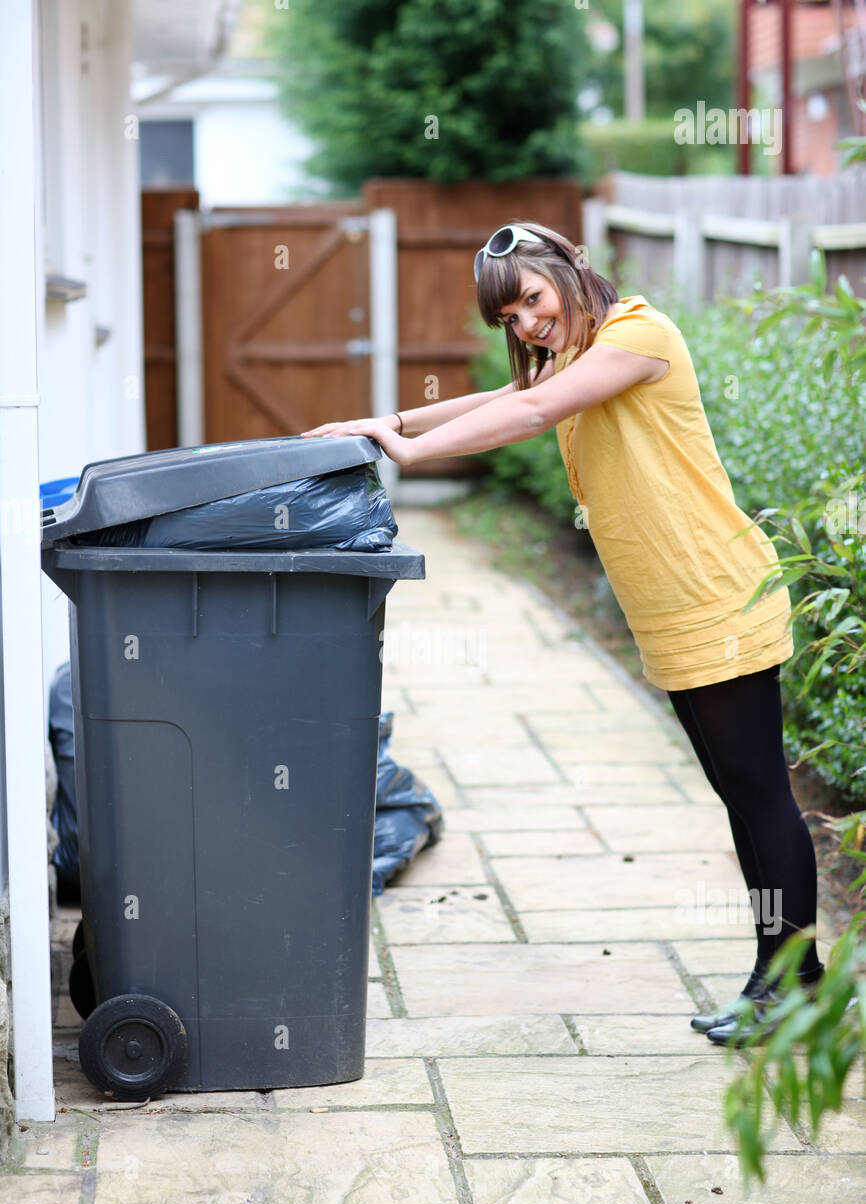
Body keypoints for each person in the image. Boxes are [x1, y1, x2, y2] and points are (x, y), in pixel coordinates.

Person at [300, 218, 824, 1046]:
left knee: (760, 797)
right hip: (672, 604)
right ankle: (785, 977)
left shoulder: (638, 335)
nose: (527, 324)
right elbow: (510, 397)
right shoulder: (579, 352)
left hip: (716, 594)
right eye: (510, 318)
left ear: (570, 271)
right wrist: (389, 421)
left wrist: (408, 451)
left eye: (532, 301)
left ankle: (794, 984)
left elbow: (535, 409)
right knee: (740, 797)